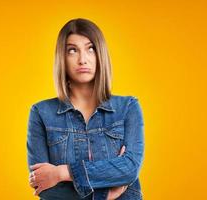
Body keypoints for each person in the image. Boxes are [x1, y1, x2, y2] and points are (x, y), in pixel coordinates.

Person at [27, 18, 145, 200]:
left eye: (90, 48)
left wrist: (61, 173)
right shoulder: (41, 113)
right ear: (62, 58)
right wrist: (108, 194)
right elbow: (45, 187)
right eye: (72, 50)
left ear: (100, 55)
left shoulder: (128, 107)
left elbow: (129, 168)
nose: (82, 59)